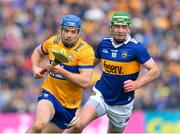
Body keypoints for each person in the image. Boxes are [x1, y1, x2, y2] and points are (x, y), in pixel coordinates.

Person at [67, 12, 160, 133]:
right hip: (101, 95)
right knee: (78, 125)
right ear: (111, 28)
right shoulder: (104, 44)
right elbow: (91, 65)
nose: (120, 30)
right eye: (117, 26)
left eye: (124, 27)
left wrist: (136, 84)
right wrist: (72, 73)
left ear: (129, 28)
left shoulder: (136, 48)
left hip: (122, 104)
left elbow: (155, 71)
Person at [26, 14, 94, 133]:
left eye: (73, 32)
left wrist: (62, 72)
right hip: (50, 93)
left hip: (69, 105)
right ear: (60, 30)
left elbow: (85, 81)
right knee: (39, 125)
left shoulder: (85, 51)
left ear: (79, 33)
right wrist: (35, 68)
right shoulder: (53, 41)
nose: (69, 35)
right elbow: (37, 52)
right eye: (66, 31)